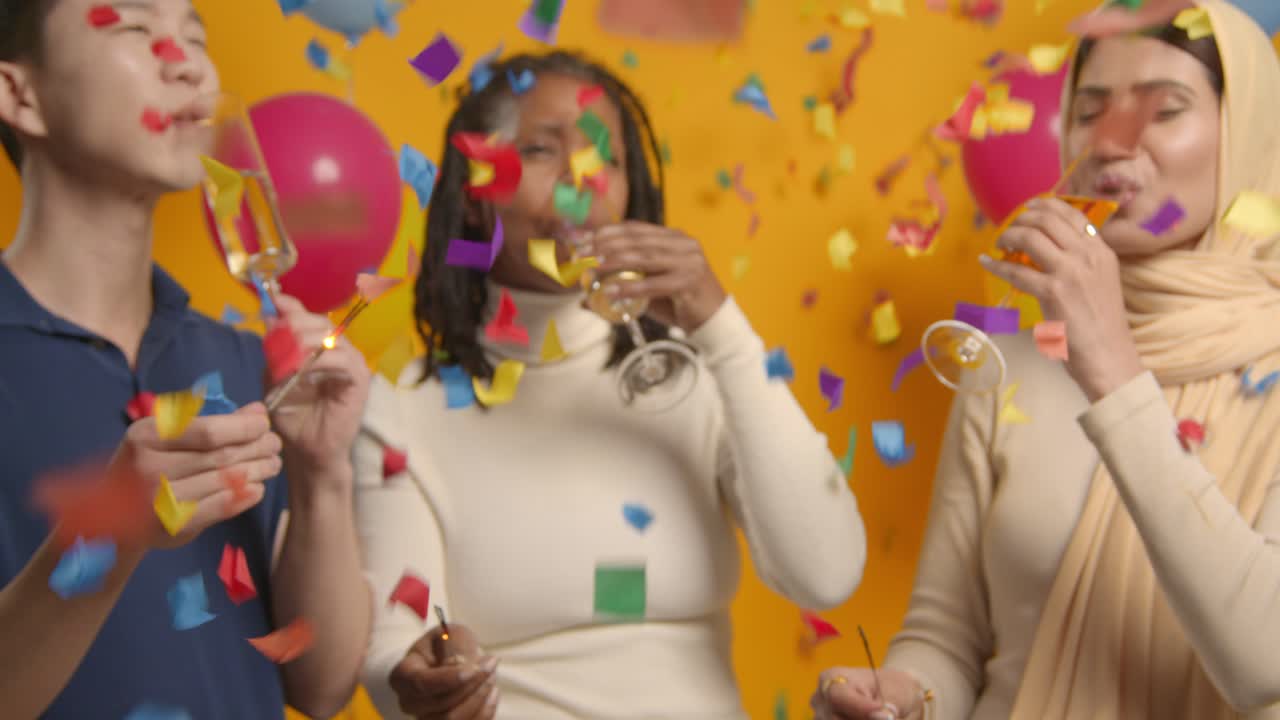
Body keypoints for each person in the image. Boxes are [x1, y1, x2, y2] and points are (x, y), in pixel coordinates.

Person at [354, 50, 868, 719]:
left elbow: (827, 575)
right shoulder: (402, 407)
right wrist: (420, 673)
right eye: (541, 150)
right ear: (474, 198)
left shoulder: (694, 371)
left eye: (608, 158)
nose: (584, 178)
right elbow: (395, 651)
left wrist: (723, 330)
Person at [812, 1, 1280, 719]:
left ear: (1248, 130)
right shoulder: (1004, 372)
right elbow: (947, 638)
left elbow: (1265, 662)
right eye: (1090, 112)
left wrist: (1112, 369)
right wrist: (907, 697)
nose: (1113, 142)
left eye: (1163, 110)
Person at [0, 0, 372, 717]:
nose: (189, 66)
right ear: (20, 95)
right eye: (136, 28)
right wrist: (110, 531)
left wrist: (322, 474)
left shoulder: (246, 364)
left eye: (194, 38)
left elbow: (321, 688)